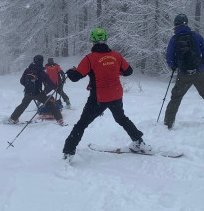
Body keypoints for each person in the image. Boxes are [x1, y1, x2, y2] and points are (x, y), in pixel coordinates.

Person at [62, 28, 151, 159]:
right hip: (116, 95)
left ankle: (69, 152)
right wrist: (114, 70)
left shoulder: (90, 58)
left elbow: (75, 77)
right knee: (121, 119)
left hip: (98, 97)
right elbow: (128, 71)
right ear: (106, 40)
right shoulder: (116, 55)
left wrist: (70, 71)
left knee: (82, 124)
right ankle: (139, 142)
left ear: (93, 42)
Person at [163, 13, 204, 128]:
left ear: (175, 25)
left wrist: (174, 66)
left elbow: (169, 57)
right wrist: (201, 65)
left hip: (183, 74)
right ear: (186, 23)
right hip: (199, 73)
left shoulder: (174, 39)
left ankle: (168, 123)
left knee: (175, 98)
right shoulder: (196, 36)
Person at [8, 55, 66, 125]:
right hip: (38, 93)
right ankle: (59, 119)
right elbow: (50, 83)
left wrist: (29, 87)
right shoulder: (42, 71)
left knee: (23, 105)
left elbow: (22, 81)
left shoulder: (27, 70)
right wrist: (57, 86)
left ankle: (13, 118)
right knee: (50, 104)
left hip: (28, 93)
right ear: (41, 61)